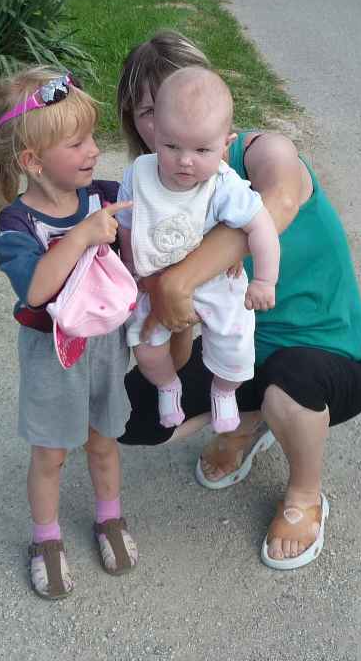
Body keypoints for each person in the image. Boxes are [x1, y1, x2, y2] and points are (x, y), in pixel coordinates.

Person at [116, 32, 361, 570]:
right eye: (151, 112)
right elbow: (172, 311)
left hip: (327, 349)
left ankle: (305, 494)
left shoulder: (261, 153)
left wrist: (180, 279)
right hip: (241, 339)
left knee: (291, 383)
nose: (173, 123)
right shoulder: (153, 187)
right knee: (132, 416)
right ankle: (249, 416)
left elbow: (278, 200)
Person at [0, 68, 138, 600]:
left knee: (104, 440)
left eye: (92, 137)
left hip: (107, 347)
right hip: (51, 353)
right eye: (77, 143)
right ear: (33, 161)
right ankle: (46, 539)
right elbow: (36, 290)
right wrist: (83, 236)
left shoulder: (106, 196)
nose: (94, 150)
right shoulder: (17, 225)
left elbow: (151, 236)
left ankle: (109, 517)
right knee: (51, 454)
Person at [117, 67, 280, 434]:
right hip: (153, 279)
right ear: (155, 132)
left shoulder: (223, 184)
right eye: (172, 146)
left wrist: (265, 280)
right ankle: (167, 386)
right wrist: (130, 264)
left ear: (226, 144)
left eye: (202, 149)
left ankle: (224, 391)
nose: (185, 160)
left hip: (215, 279)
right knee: (145, 347)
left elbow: (262, 226)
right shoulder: (139, 174)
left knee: (236, 347)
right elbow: (127, 221)